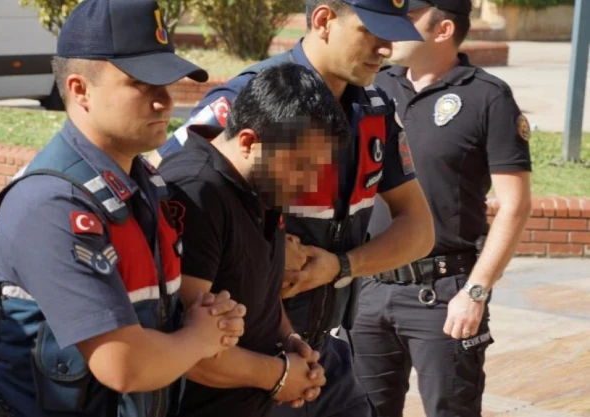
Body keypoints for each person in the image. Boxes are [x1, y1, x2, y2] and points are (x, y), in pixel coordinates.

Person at [0, 1, 247, 416]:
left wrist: (212, 318)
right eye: (141, 83)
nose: (165, 101)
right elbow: (124, 365)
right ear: (80, 90)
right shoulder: (51, 205)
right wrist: (200, 338)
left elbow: (160, 317)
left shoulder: (143, 182)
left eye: (166, 82)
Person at [148, 0, 436, 415]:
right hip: (243, 363)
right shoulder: (253, 96)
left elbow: (420, 230)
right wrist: (261, 250)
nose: (386, 48)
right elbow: (174, 192)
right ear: (324, 20)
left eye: (390, 34)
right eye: (371, 31)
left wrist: (340, 266)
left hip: (318, 352)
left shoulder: (375, 109)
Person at [352, 0, 533, 416]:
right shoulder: (375, 86)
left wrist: (476, 292)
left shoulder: (488, 97)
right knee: (358, 409)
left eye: (410, 18)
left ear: (443, 30)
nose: (395, 25)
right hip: (368, 289)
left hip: (443, 295)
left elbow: (515, 205)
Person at [159, 63, 345, 417]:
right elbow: (185, 348)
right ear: (248, 142)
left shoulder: (261, 182)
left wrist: (290, 341)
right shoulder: (196, 192)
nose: (309, 184)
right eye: (302, 166)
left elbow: (260, 290)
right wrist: (280, 375)